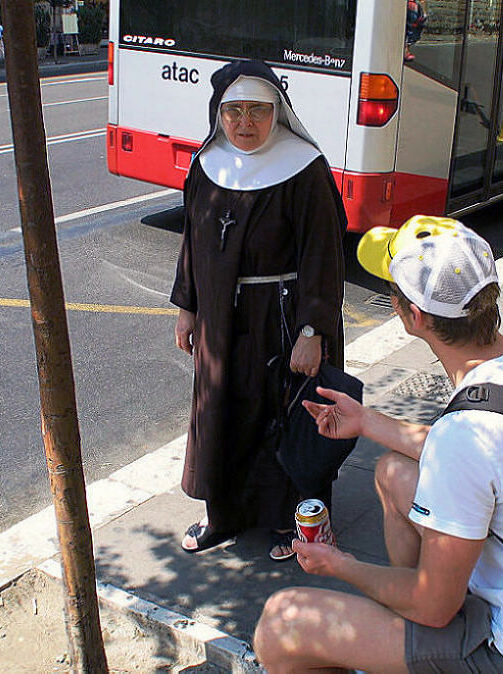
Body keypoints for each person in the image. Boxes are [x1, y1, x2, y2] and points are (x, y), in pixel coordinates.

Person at [253, 216, 503, 672]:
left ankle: (410, 635)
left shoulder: (466, 434)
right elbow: (477, 459)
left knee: (281, 624)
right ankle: (400, 626)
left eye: (394, 293)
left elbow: (436, 607)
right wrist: (365, 421)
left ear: (416, 317)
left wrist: (340, 564)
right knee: (393, 472)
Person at [171, 59, 346, 562]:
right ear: (219, 114)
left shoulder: (303, 168)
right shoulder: (208, 164)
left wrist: (313, 329)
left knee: (280, 416)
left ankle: (288, 519)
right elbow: (192, 240)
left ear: (278, 113)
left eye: (258, 112)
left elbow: (323, 253)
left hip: (283, 316)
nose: (245, 123)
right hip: (221, 319)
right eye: (234, 112)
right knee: (221, 409)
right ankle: (222, 513)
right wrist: (187, 307)